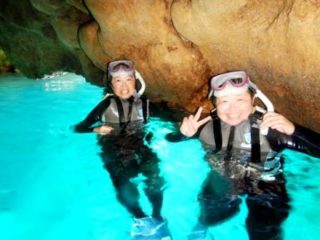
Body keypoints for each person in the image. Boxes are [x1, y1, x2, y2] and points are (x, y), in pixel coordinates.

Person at [167, 71, 320, 240]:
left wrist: (294, 130)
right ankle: (203, 225)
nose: (233, 109)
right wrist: (183, 134)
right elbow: (171, 139)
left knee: (262, 231)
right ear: (215, 104)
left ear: (253, 102)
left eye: (240, 100)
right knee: (209, 216)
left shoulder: (271, 131)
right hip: (222, 177)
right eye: (224, 101)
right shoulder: (205, 128)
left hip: (266, 185)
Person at [74, 60, 171, 240]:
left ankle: (157, 217)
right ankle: (140, 218)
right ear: (111, 84)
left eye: (128, 79)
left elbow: (167, 122)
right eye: (118, 81)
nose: (124, 86)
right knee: (122, 182)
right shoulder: (105, 105)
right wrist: (95, 129)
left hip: (140, 145)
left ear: (136, 81)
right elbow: (77, 128)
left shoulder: (146, 104)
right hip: (114, 147)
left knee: (154, 176)